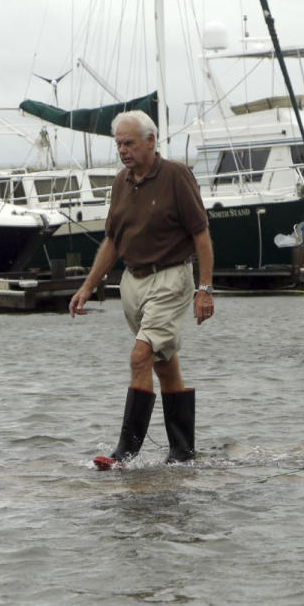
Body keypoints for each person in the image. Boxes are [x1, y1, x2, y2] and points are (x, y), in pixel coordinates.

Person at [68, 109, 215, 470]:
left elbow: (201, 234)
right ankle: (182, 453)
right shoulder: (121, 181)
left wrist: (204, 288)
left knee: (140, 355)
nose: (123, 150)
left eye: (129, 143)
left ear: (150, 141)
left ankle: (125, 453)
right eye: (118, 144)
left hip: (170, 278)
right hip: (132, 281)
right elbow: (112, 242)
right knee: (163, 362)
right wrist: (88, 287)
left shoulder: (176, 175)